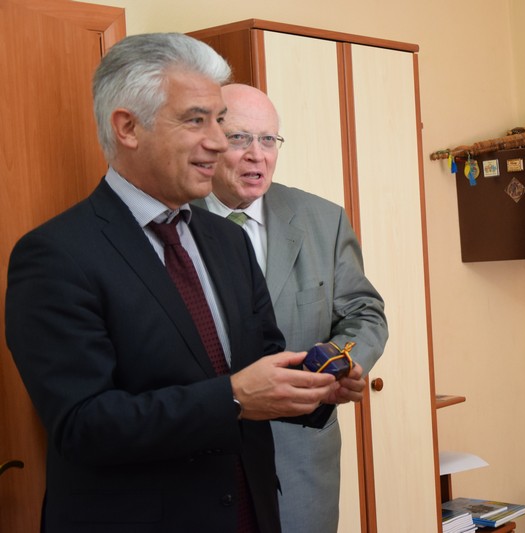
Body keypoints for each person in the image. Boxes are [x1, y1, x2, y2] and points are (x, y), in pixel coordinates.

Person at [4, 33, 351, 533]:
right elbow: (83, 424)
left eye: (219, 120)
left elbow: (261, 363)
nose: (219, 141)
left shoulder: (227, 240)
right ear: (128, 127)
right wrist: (232, 399)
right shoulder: (56, 255)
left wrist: (314, 386)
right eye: (195, 120)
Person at [193, 83, 388, 533]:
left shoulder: (323, 219)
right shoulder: (176, 220)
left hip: (300, 462)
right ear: (210, 141)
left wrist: (339, 362)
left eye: (268, 140)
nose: (256, 155)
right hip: (204, 465)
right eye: (239, 138)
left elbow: (364, 311)